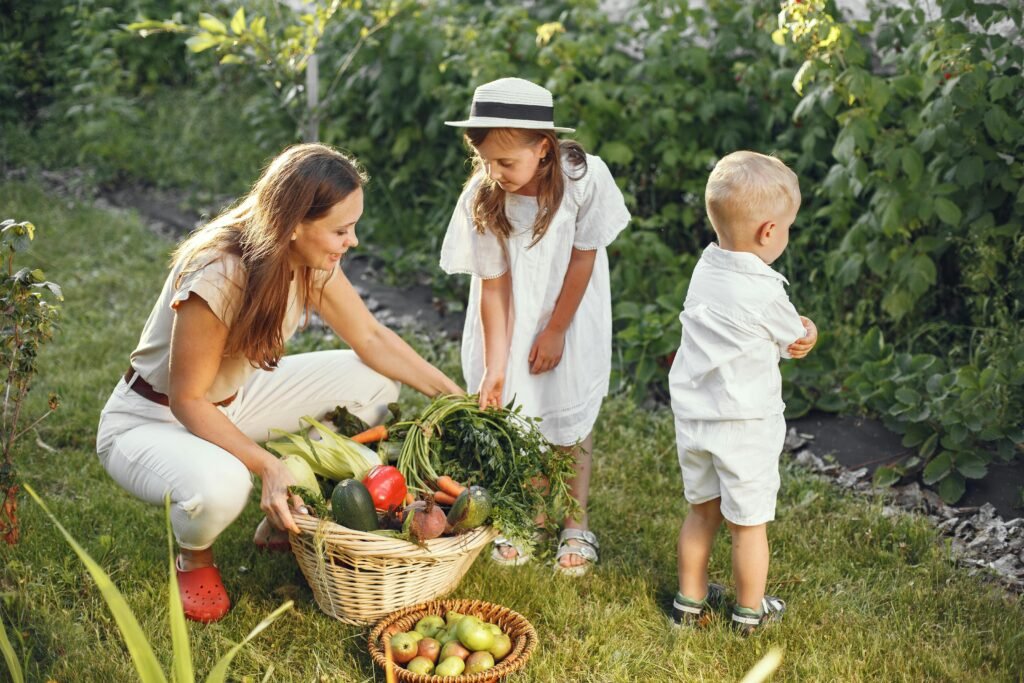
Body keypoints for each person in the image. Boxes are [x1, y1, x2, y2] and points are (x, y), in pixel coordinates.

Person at [95, 143, 463, 623]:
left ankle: (293, 511)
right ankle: (195, 554)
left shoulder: (312, 261)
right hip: (153, 418)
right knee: (226, 485)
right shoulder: (219, 273)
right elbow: (187, 400)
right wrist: (267, 466)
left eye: (353, 227)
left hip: (231, 403)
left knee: (374, 382)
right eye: (340, 229)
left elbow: (372, 338)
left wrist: (453, 395)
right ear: (293, 225)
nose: (351, 241)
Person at [439, 77, 631, 576]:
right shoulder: (483, 198)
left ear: (543, 149)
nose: (494, 172)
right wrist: (496, 366)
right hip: (510, 320)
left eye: (506, 162)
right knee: (521, 416)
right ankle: (532, 515)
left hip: (570, 312)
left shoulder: (584, 181)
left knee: (567, 415)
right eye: (485, 161)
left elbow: (584, 258)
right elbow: (495, 285)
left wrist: (556, 330)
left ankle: (575, 521)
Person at [668, 150, 818, 634]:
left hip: (695, 421)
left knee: (702, 512)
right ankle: (749, 612)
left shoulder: (706, 267)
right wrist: (808, 332)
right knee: (748, 525)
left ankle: (688, 603)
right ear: (769, 232)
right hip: (745, 424)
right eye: (788, 226)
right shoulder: (765, 290)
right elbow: (792, 339)